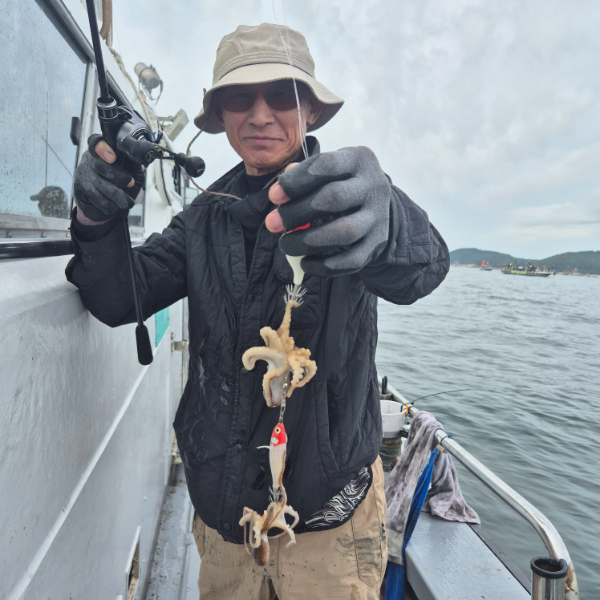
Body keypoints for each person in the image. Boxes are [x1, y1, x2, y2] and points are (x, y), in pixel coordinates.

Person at [66, 23, 449, 600]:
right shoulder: (201, 220)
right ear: (221, 115)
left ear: (311, 112)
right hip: (225, 529)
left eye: (281, 96)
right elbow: (120, 296)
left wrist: (390, 218)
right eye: (241, 97)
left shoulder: (351, 204)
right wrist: (96, 219)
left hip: (330, 533)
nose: (261, 114)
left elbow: (425, 268)